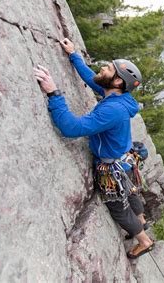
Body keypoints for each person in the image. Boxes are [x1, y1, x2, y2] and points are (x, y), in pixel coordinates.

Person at [33, 38, 154, 259]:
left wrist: (53, 94)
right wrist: (73, 54)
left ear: (117, 81)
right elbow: (92, 78)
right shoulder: (118, 95)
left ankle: (144, 241)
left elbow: (72, 127)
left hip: (111, 168)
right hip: (124, 160)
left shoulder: (113, 109)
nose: (102, 68)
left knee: (119, 209)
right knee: (130, 190)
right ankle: (142, 220)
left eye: (108, 68)